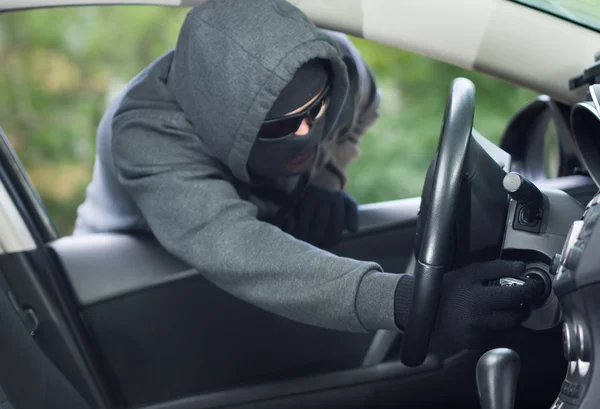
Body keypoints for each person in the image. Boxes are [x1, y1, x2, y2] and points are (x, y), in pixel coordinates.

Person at [74, 0, 535, 349]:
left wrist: (325, 178)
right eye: (279, 125)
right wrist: (412, 303)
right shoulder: (145, 134)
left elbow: (359, 111)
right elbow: (232, 245)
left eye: (316, 109)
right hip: (133, 261)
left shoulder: (334, 66)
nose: (306, 130)